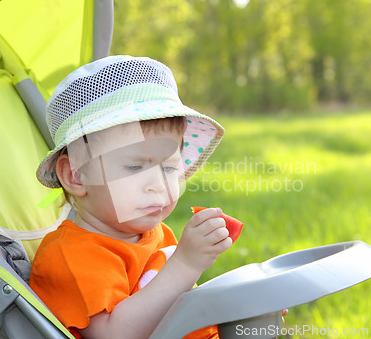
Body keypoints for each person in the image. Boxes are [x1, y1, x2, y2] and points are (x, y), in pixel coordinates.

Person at [30, 55, 231, 339]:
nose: (158, 185)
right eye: (135, 167)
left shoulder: (158, 234)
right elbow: (116, 335)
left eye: (170, 167)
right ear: (76, 175)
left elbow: (185, 312)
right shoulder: (71, 256)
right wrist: (185, 264)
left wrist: (236, 313)